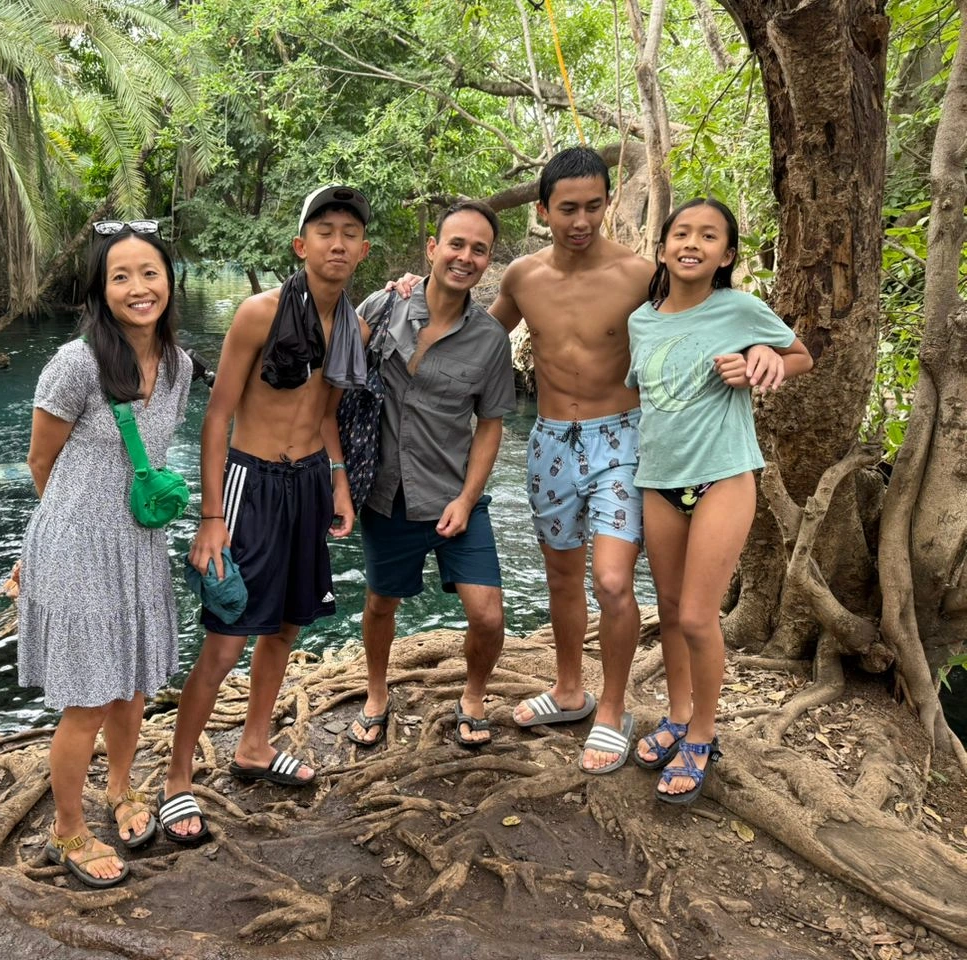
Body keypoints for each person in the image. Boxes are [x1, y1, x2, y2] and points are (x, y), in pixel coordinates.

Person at [161, 185, 370, 844]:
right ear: (301, 245)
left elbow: (328, 416)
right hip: (249, 484)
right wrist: (211, 517)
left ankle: (254, 746)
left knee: (284, 627)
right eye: (325, 231)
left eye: (350, 233)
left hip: (308, 485)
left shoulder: (355, 327)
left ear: (363, 250)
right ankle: (176, 779)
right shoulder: (259, 313)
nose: (338, 244)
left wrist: (339, 483)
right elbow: (217, 416)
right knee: (226, 640)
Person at [14, 219, 193, 887]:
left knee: (135, 684)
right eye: (121, 276)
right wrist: (65, 537)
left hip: (139, 543)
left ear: (169, 282)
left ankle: (120, 788)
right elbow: (41, 460)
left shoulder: (178, 366)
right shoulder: (76, 363)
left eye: (150, 273)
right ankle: (67, 829)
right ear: (100, 289)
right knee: (88, 699)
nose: (138, 288)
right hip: (79, 546)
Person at [627, 198, 811, 803]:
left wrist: (764, 356)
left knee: (699, 616)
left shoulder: (740, 308)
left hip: (724, 477)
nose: (693, 243)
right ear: (662, 249)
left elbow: (800, 356)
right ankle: (678, 715)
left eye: (709, 236)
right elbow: (641, 395)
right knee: (670, 609)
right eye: (681, 233)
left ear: (726, 255)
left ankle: (703, 733)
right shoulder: (642, 321)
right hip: (658, 479)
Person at [476, 147, 653, 774]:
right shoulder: (522, 278)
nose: (581, 221)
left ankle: (614, 707)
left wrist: (753, 354)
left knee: (612, 581)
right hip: (550, 439)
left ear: (607, 203)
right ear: (543, 211)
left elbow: (695, 326)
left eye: (593, 207)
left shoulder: (641, 275)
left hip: (621, 440)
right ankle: (570, 689)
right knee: (560, 576)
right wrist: (414, 301)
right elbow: (479, 339)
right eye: (568, 209)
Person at [346, 201, 516, 750]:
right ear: (432, 248)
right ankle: (377, 693)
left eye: (479, 250)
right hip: (385, 493)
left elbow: (490, 425)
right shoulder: (383, 305)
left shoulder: (490, 338)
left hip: (454, 495)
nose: (465, 257)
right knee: (380, 604)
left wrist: (468, 499)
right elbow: (330, 369)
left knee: (487, 615)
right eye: (456, 244)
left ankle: (473, 696)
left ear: (488, 260)